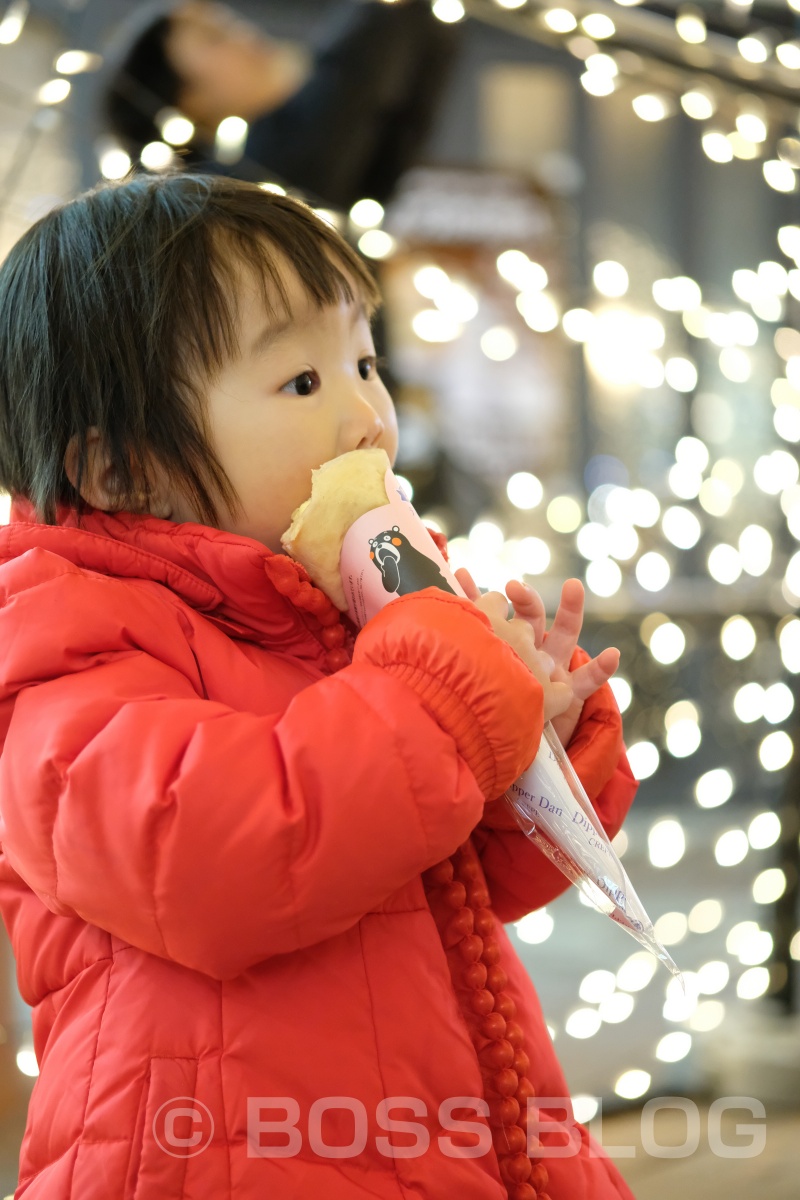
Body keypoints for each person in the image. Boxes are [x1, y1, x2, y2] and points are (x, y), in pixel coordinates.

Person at [0, 173, 637, 1199]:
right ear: (117, 470)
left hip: (451, 1130)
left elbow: (464, 879)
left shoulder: (345, 616)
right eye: (301, 383)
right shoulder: (67, 644)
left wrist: (530, 732)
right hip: (224, 1159)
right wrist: (439, 688)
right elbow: (215, 864)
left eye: (363, 362)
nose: (367, 419)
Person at [101, 0, 460, 210]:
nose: (245, 33)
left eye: (228, 21)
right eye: (215, 37)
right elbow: (353, 80)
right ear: (183, 102)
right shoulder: (237, 191)